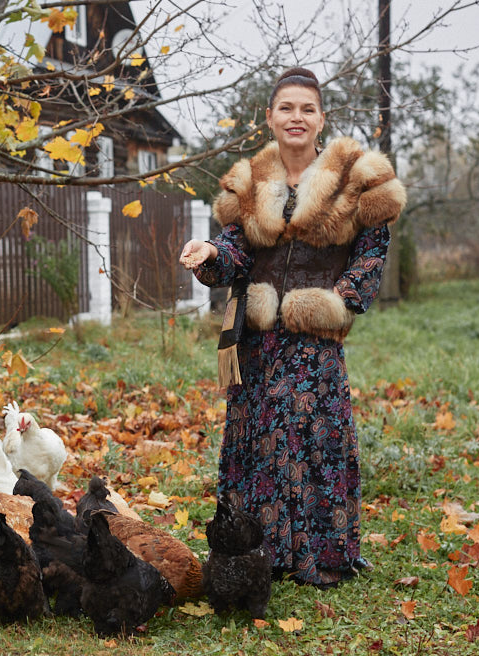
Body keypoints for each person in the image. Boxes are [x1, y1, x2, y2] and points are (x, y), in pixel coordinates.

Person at [180, 67, 405, 587]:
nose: (296, 117)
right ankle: (257, 552)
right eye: (287, 108)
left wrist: (338, 303)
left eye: (307, 108)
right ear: (270, 117)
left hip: (314, 335)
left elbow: (372, 253)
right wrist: (211, 251)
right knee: (255, 432)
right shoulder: (251, 181)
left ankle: (317, 555)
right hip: (255, 338)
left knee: (299, 424)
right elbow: (234, 251)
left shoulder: (356, 177)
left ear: (321, 117)